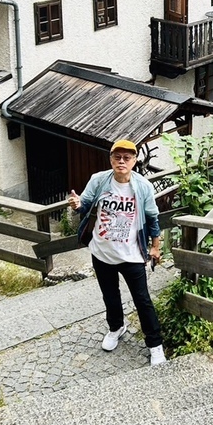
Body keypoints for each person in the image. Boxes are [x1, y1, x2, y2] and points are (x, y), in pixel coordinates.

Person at [67, 139, 166, 365]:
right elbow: (85, 205)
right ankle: (116, 327)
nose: (122, 161)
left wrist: (155, 246)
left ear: (135, 160)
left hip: (131, 254)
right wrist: (77, 204)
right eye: (117, 157)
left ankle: (155, 344)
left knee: (142, 300)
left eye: (127, 157)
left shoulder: (142, 187)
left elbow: (152, 218)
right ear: (111, 159)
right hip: (102, 251)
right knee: (110, 295)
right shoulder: (99, 180)